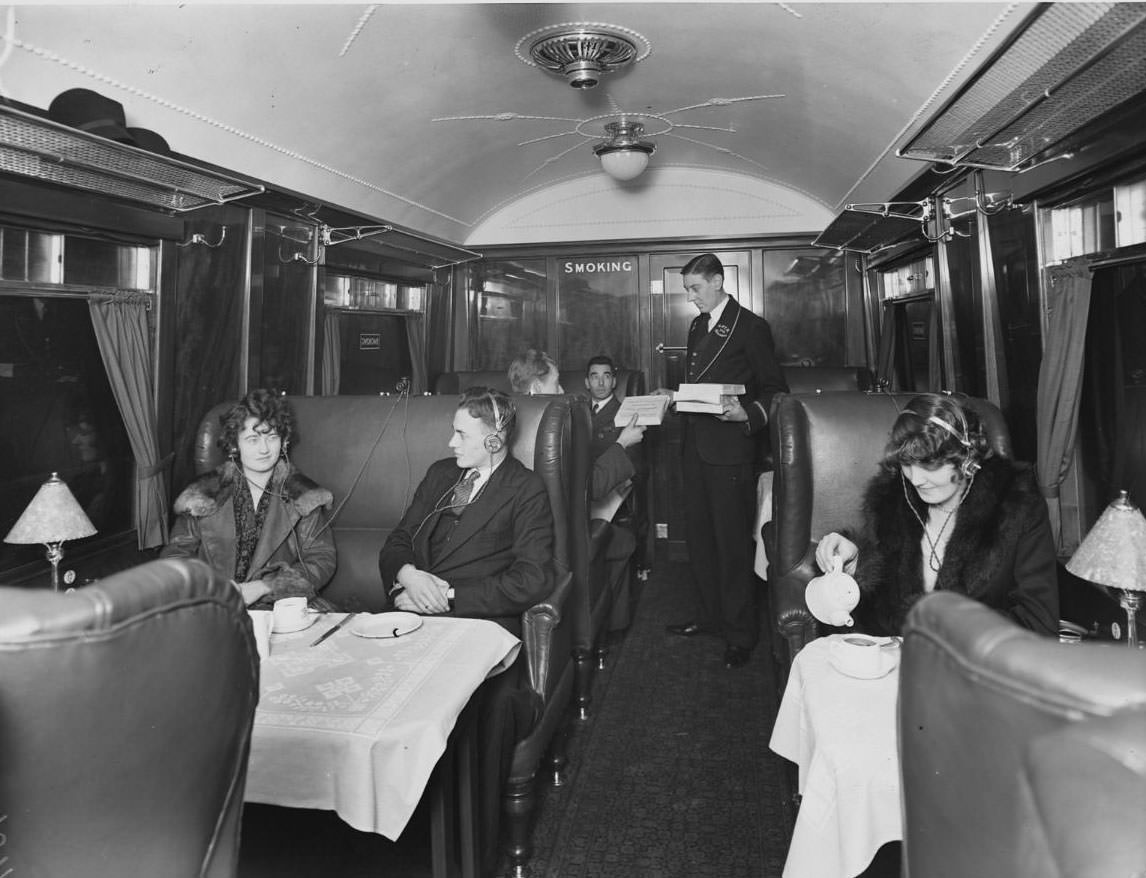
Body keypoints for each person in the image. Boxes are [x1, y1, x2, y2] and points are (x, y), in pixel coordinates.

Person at [378, 386, 553, 872]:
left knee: (488, 712)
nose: (451, 443)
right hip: (412, 612)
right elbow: (398, 540)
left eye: (461, 434)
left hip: (479, 622)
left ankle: (471, 857)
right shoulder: (440, 475)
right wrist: (408, 577)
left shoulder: (526, 489)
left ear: (495, 440)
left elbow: (531, 579)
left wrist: (449, 596)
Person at [814, 392, 1059, 636]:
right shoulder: (891, 500)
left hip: (978, 658)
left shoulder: (1017, 504)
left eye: (929, 464)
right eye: (907, 463)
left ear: (966, 458)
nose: (916, 479)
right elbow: (880, 616)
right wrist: (856, 566)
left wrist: (948, 623)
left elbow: (1038, 623)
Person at [655, 253, 788, 669]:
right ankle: (710, 616)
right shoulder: (698, 326)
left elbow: (775, 390)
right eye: (687, 290)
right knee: (700, 540)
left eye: (695, 288)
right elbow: (700, 388)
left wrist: (748, 414)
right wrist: (674, 397)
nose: (691, 297)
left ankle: (740, 633)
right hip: (695, 447)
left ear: (717, 281)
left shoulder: (751, 327)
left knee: (731, 545)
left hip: (730, 452)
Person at [162, 388, 336, 609]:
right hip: (215, 605)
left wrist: (266, 586)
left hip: (282, 607)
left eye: (272, 438)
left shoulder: (303, 495)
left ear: (283, 441)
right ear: (235, 444)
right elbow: (174, 558)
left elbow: (321, 559)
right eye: (253, 439)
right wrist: (213, 589)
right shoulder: (202, 495)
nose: (264, 449)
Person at [510, 350, 644, 629]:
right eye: (556, 383)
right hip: (559, 541)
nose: (562, 390)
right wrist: (622, 443)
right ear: (537, 387)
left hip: (518, 537)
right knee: (622, 542)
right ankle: (607, 628)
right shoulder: (556, 427)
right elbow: (593, 486)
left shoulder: (505, 418)